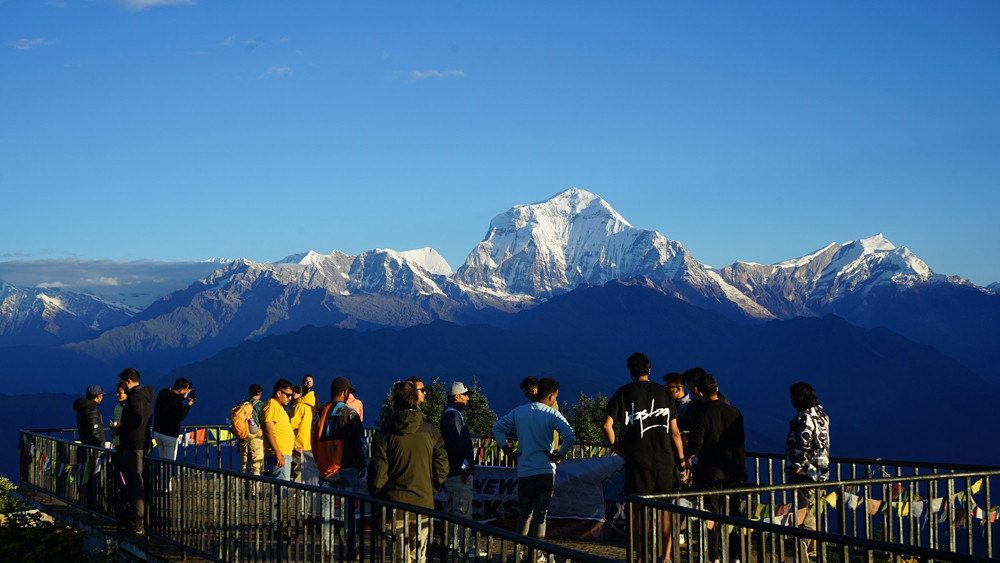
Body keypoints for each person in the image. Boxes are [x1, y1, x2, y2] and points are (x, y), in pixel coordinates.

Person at [603, 353, 686, 562]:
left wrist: (617, 446)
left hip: (637, 462)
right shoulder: (664, 393)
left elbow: (606, 424)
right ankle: (665, 557)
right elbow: (675, 432)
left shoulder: (624, 392)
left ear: (630, 371)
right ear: (649, 370)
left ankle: (640, 557)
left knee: (639, 513)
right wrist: (682, 462)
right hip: (665, 461)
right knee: (666, 510)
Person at [368, 381, 448, 563]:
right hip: (423, 504)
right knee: (419, 555)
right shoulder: (431, 431)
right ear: (415, 400)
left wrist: (379, 494)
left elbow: (378, 473)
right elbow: (442, 466)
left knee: (400, 557)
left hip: (394, 505)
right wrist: (431, 488)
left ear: (395, 402)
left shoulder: (384, 435)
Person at [493, 377, 576, 543]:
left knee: (524, 514)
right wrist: (559, 455)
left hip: (524, 471)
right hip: (545, 471)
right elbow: (569, 436)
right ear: (551, 396)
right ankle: (537, 554)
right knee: (540, 515)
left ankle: (518, 552)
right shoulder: (552, 414)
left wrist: (508, 451)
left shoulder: (519, 411)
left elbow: (497, 428)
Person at [686, 373, 747, 563]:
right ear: (717, 389)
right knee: (734, 514)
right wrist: (743, 467)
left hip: (709, 471)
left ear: (701, 394)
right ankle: (735, 554)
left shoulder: (703, 413)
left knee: (710, 513)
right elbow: (740, 445)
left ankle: (712, 555)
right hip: (732, 471)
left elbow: (696, 444)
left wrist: (685, 459)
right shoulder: (735, 412)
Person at [314, 377, 368, 559]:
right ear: (345, 393)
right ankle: (351, 547)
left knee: (327, 512)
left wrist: (319, 462)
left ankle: (327, 549)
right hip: (347, 467)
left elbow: (313, 441)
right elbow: (360, 442)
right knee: (349, 512)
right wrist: (363, 464)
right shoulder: (350, 414)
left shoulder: (319, 413)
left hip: (325, 469)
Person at [786, 382, 830, 562]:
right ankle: (815, 553)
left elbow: (803, 443)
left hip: (806, 475)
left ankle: (810, 556)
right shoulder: (822, 415)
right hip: (821, 473)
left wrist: (797, 466)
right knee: (814, 514)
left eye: (792, 397)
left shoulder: (804, 418)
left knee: (805, 518)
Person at [115, 367, 153, 536]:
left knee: (133, 483)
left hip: (132, 445)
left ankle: (137, 523)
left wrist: (123, 430)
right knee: (140, 481)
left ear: (128, 381)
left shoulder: (134, 399)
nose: (120, 386)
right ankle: (146, 520)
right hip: (143, 443)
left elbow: (136, 418)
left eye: (122, 382)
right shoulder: (146, 397)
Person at [441, 381, 478, 556]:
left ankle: (452, 545)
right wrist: (465, 466)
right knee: (463, 509)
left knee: (453, 509)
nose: (467, 398)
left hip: (452, 471)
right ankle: (465, 547)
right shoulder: (454, 416)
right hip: (458, 472)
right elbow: (456, 445)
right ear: (456, 397)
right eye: (465, 395)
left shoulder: (449, 415)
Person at [152, 378, 195, 460]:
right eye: (185, 390)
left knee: (162, 460)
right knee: (170, 462)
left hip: (158, 432)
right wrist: (188, 405)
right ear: (180, 390)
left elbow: (172, 399)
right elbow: (180, 417)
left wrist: (182, 397)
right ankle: (167, 473)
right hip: (170, 435)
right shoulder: (176, 401)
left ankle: (162, 472)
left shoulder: (163, 392)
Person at [263, 379, 296, 481]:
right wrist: (278, 453)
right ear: (279, 393)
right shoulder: (272, 405)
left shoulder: (278, 407)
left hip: (284, 453)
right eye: (287, 395)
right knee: (281, 490)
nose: (290, 398)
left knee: (282, 489)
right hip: (279, 455)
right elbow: (268, 431)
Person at [290, 384, 318, 484]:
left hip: (299, 443)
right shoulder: (311, 406)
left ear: (300, 394)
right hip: (309, 443)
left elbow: (292, 424)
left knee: (297, 471)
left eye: (293, 394)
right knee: (308, 473)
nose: (291, 397)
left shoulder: (298, 406)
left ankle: (295, 493)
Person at [239, 384, 266, 475]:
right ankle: (255, 489)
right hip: (256, 437)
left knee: (244, 467)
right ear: (259, 393)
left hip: (243, 437)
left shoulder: (243, 404)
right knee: (256, 467)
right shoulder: (261, 405)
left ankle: (243, 488)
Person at [111, 382, 127, 449]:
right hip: (117, 443)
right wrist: (113, 426)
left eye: (119, 393)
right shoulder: (117, 407)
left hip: (126, 443)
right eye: (116, 392)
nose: (117, 395)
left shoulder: (131, 407)